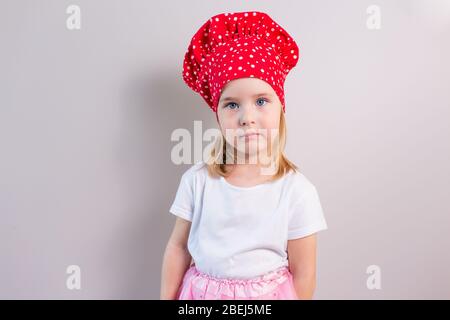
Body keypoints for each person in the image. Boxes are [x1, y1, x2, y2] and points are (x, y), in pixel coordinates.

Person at [160, 11, 328, 300]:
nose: (247, 117)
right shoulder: (198, 181)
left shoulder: (296, 191)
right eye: (232, 104)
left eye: (261, 101)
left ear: (280, 108)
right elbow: (178, 247)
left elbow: (304, 273)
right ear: (218, 116)